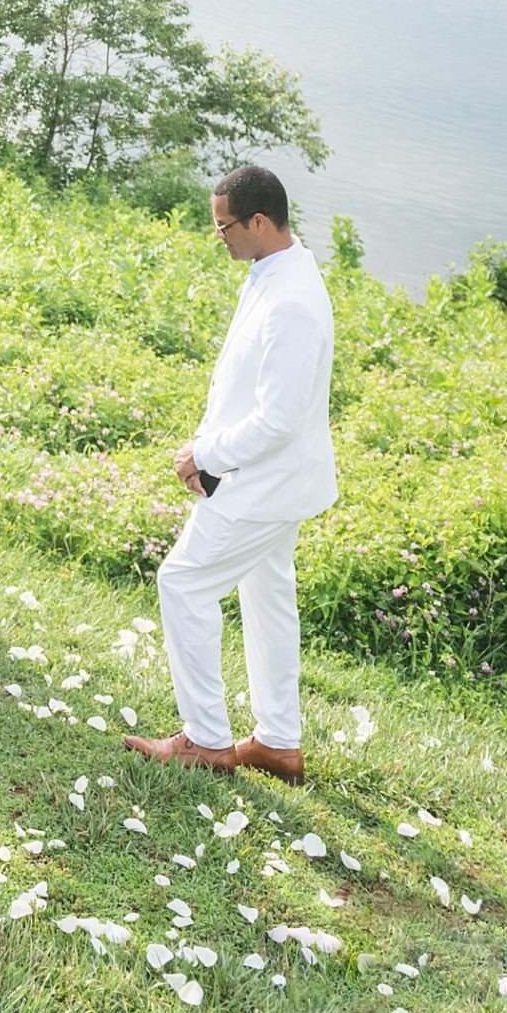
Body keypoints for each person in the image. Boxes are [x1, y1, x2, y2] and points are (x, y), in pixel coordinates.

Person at [124, 162, 337, 785]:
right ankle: (277, 741)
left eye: (224, 228)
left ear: (261, 222)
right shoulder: (271, 270)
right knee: (268, 598)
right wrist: (209, 448)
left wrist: (207, 457)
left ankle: (208, 740)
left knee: (183, 583)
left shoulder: (293, 299)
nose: (219, 237)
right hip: (266, 479)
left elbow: (278, 419)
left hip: (266, 483)